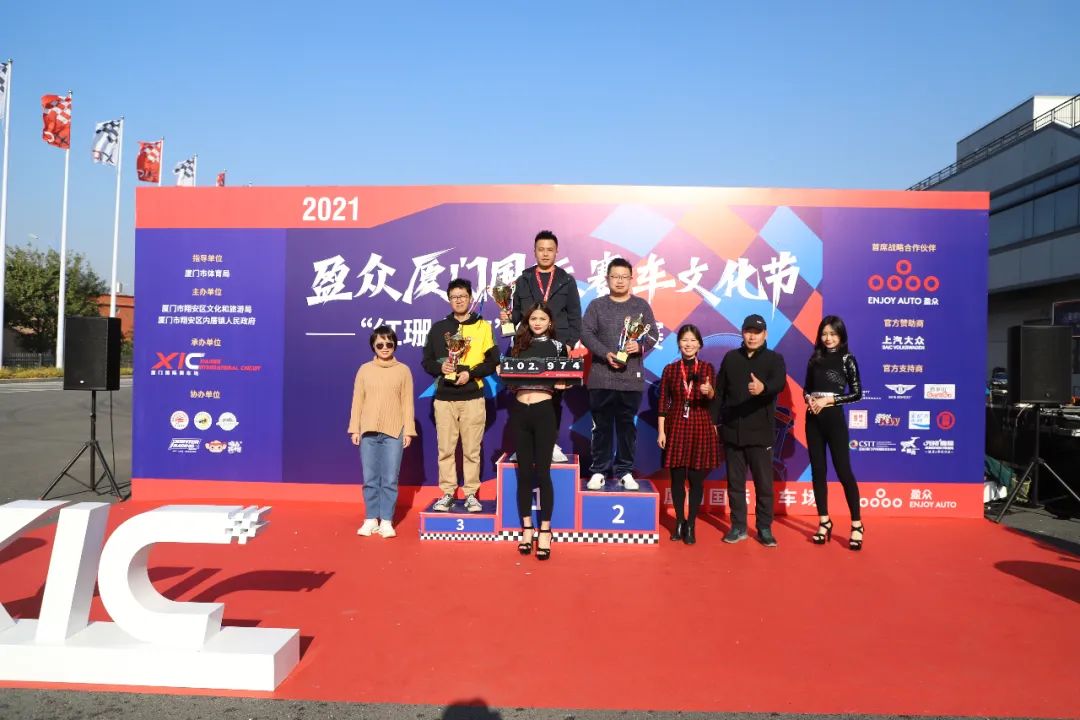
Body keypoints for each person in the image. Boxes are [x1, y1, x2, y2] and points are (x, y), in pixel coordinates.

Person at [502, 229, 582, 463]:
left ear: (557, 252)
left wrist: (569, 344)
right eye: (541, 249)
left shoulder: (566, 280)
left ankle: (550, 444)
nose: (545, 254)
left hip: (557, 346)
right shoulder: (524, 279)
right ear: (534, 251)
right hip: (527, 344)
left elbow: (575, 316)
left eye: (550, 250)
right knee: (523, 393)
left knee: (553, 396)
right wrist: (507, 319)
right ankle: (524, 445)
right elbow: (517, 313)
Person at [421, 279, 499, 513]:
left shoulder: (482, 327)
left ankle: (471, 494)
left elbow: (493, 361)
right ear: (449, 299)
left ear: (470, 298)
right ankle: (447, 493)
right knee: (445, 449)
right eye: (454, 297)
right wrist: (441, 368)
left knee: (471, 450)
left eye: (463, 296)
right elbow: (426, 361)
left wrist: (470, 374)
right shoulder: (439, 328)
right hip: (444, 399)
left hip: (473, 397)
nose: (458, 300)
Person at [580, 257, 657, 491]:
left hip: (630, 379)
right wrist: (605, 354)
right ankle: (599, 471)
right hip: (601, 377)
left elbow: (653, 334)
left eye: (624, 277)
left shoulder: (641, 306)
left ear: (631, 279)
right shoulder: (597, 305)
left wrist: (639, 346)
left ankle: (625, 471)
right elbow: (586, 333)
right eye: (615, 276)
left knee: (626, 428)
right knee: (601, 427)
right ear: (607, 279)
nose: (620, 281)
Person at [714, 314, 787, 547]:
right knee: (735, 485)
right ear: (742, 333)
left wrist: (763, 387)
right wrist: (714, 422)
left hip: (760, 434)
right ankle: (738, 527)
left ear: (765, 334)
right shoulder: (731, 358)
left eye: (757, 332)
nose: (752, 336)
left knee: (764, 485)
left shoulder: (774, 359)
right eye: (748, 331)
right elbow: (719, 391)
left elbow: (779, 383)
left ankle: (764, 528)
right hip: (732, 431)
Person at [503, 303, 568, 560]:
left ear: (550, 322)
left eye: (542, 318)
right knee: (524, 475)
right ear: (527, 321)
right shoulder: (518, 344)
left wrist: (564, 383)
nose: (537, 322)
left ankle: (545, 531)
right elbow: (509, 378)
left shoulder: (558, 347)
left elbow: (568, 378)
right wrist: (503, 373)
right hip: (520, 412)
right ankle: (527, 529)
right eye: (533, 318)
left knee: (542, 472)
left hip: (544, 413)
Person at [803, 315, 865, 550]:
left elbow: (857, 393)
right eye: (824, 334)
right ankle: (824, 521)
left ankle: (857, 525)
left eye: (833, 334)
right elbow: (807, 388)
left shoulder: (848, 359)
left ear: (841, 335)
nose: (828, 338)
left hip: (834, 421)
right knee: (818, 472)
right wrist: (809, 399)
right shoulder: (814, 358)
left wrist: (829, 400)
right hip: (813, 420)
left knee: (843, 472)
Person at [349, 326, 416, 538]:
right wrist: (354, 428)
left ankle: (386, 520)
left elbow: (407, 403)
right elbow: (357, 401)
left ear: (395, 345)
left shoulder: (403, 370)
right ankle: (370, 519)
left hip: (394, 431)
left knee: (389, 479)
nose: (385, 347)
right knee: (370, 478)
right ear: (373, 346)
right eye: (380, 344)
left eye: (389, 343)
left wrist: (408, 431)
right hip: (368, 431)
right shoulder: (364, 370)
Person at [657, 324, 719, 545]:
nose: (688, 344)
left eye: (693, 340)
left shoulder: (707, 368)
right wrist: (661, 431)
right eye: (684, 340)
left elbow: (714, 398)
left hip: (700, 424)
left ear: (699, 345)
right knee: (676, 479)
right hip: (675, 426)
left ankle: (691, 523)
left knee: (695, 480)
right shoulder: (670, 370)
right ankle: (679, 522)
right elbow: (663, 402)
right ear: (678, 344)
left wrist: (709, 392)